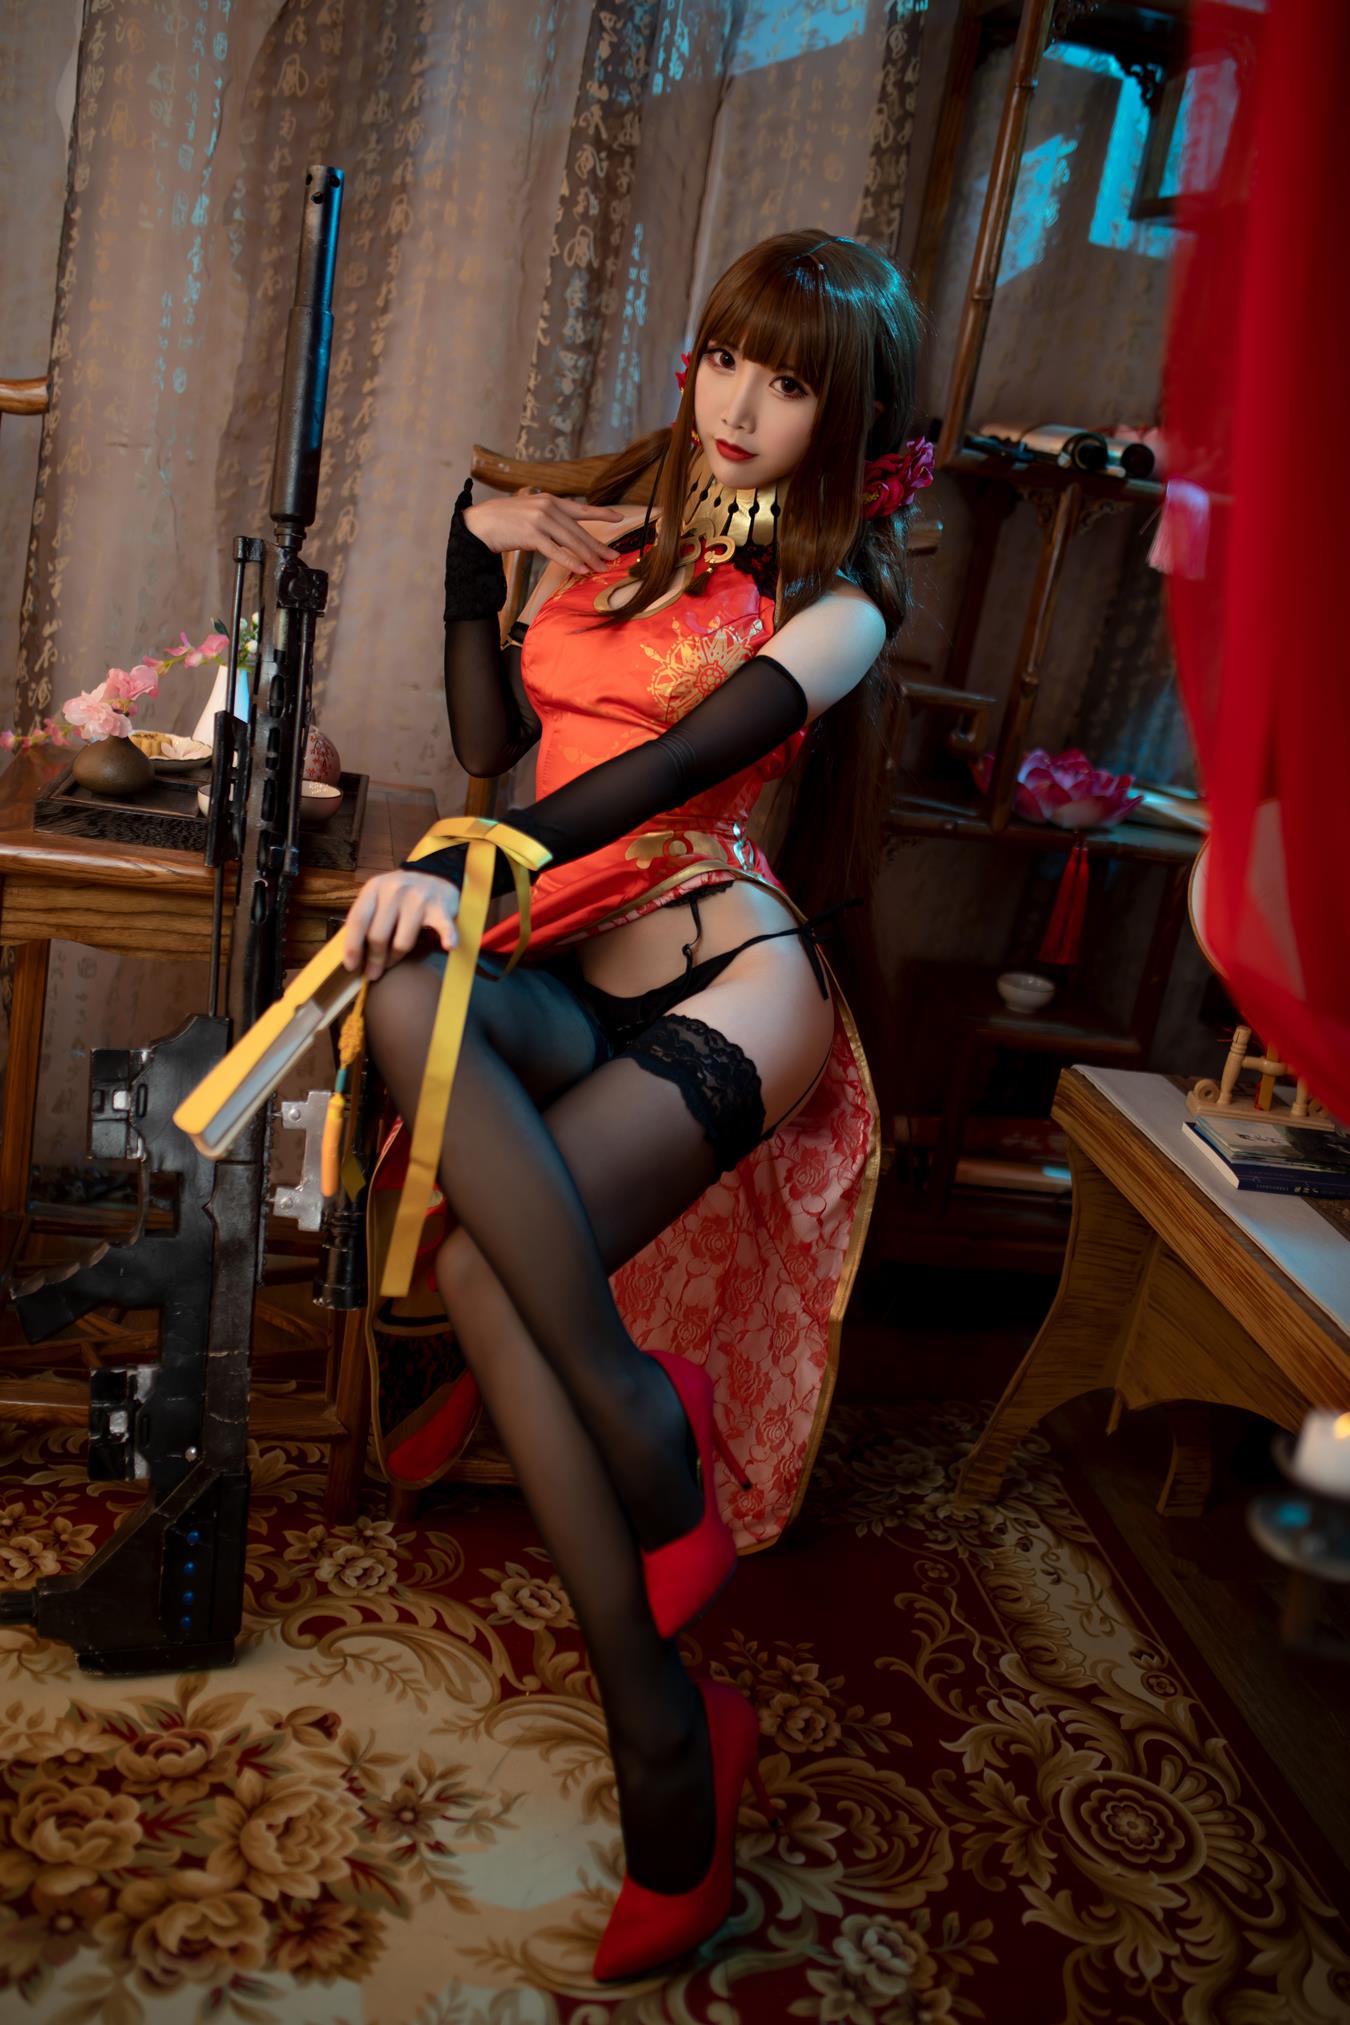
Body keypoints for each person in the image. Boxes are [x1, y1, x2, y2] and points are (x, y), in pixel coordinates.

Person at [338, 230, 927, 1983]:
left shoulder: (843, 604)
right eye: (727, 358)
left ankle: (665, 1747)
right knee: (407, 998)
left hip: (726, 975)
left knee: (479, 1270)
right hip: (572, 954)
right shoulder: (629, 524)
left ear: (850, 418)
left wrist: (476, 855)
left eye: (792, 381)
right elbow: (487, 734)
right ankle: (652, 1506)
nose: (741, 403)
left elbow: (673, 770)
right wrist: (470, 552)